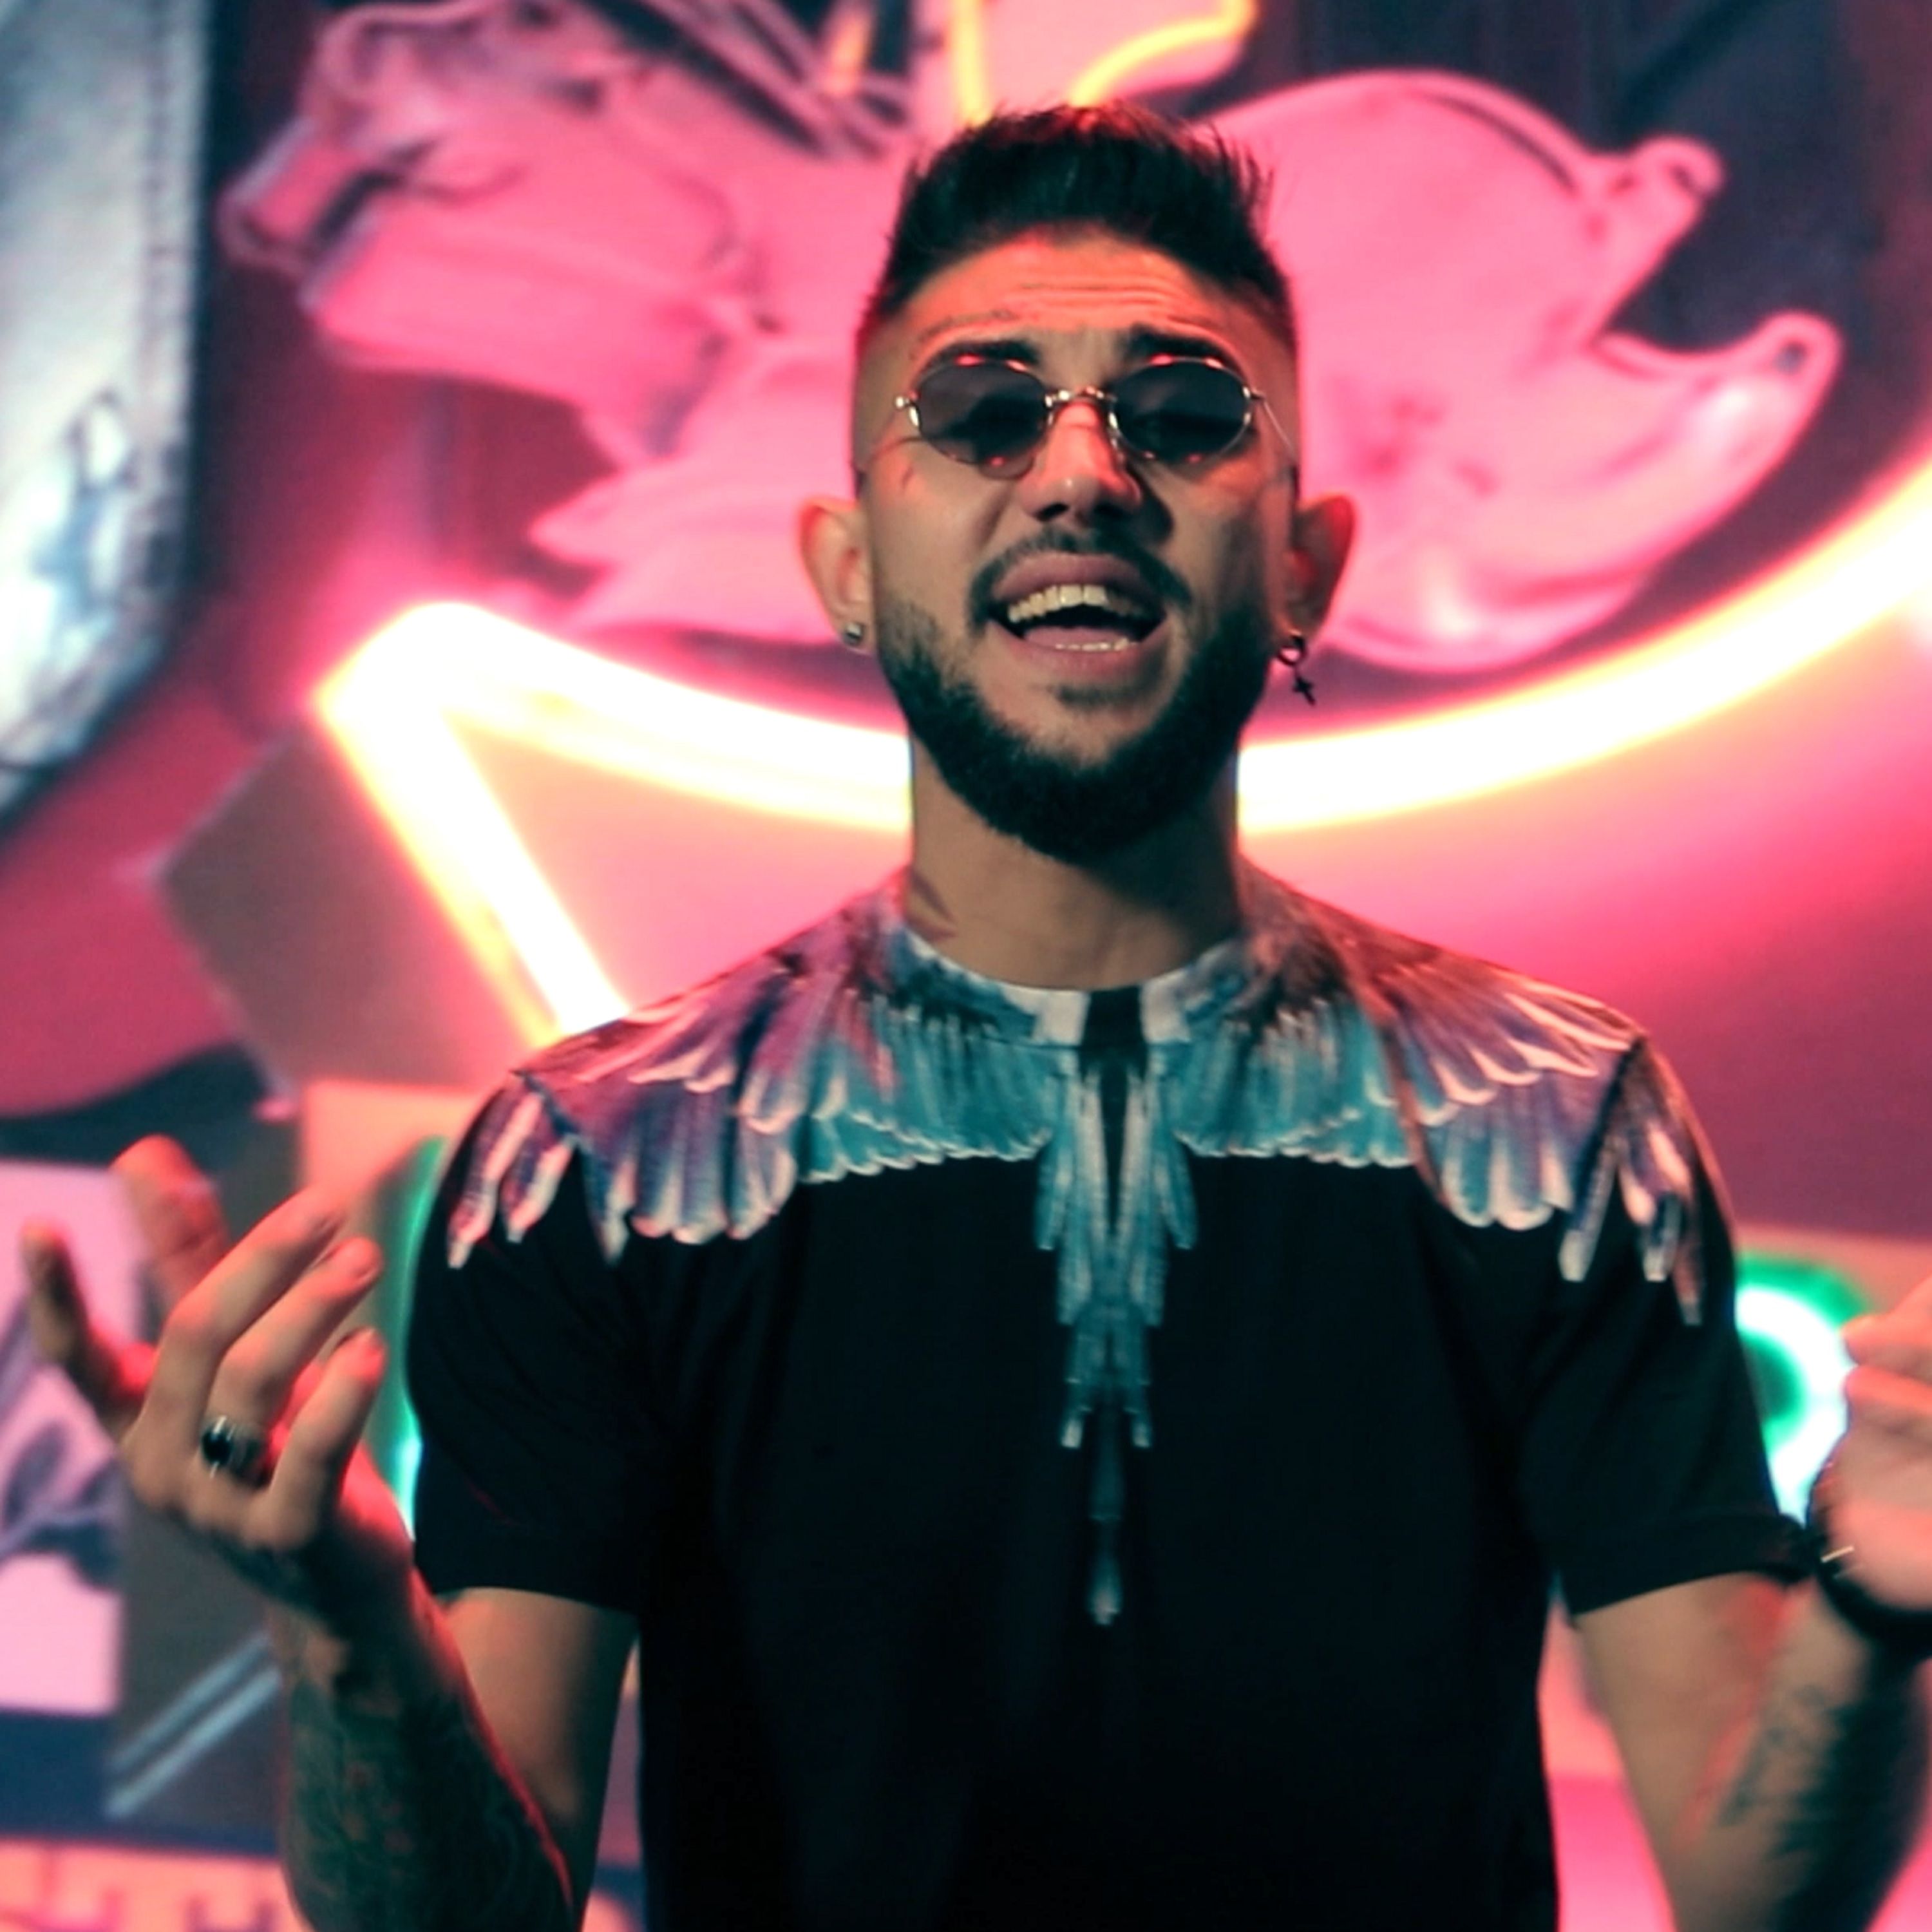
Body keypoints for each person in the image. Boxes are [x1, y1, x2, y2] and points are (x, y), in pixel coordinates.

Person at [21, 105, 1932, 1932]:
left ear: (1306, 565)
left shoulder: (1553, 1120)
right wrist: (346, 1623)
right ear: (850, 566)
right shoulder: (602, 1162)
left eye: (1184, 416)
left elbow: (1753, 1892)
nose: (1083, 474)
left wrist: (1871, 1610)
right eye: (983, 413)